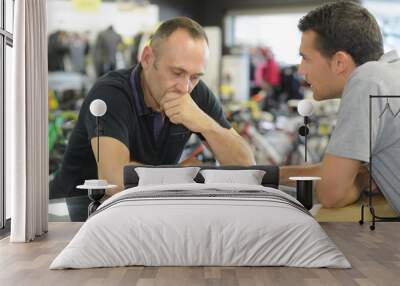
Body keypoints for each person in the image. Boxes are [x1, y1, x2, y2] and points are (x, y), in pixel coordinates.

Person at [51, 17, 255, 221]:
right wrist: (179, 176)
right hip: (71, 216)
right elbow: (113, 181)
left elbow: (247, 166)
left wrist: (205, 123)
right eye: (177, 72)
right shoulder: (110, 93)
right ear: (147, 58)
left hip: (136, 212)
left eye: (195, 77)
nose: (185, 88)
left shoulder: (196, 94)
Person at [279, 1, 400, 213]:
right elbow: (334, 172)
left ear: (339, 62)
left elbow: (331, 193)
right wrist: (266, 174)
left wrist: (361, 180)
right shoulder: (389, 74)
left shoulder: (367, 79)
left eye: (305, 58)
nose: (301, 70)